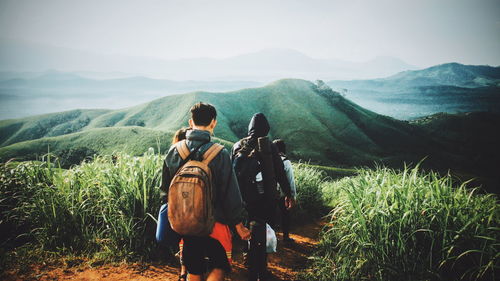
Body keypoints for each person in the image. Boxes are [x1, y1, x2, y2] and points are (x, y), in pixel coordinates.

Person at [160, 102, 251, 281]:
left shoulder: (174, 151)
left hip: (186, 224)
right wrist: (238, 224)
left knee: (194, 270)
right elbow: (230, 194)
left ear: (190, 121)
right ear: (214, 123)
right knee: (220, 267)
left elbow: (165, 191)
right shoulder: (220, 154)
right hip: (215, 224)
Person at [231, 113, 293, 280]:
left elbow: (232, 174)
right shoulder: (270, 147)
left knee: (246, 229)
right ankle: (261, 267)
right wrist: (288, 194)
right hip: (266, 200)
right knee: (264, 231)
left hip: (244, 200)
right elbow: (280, 173)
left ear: (249, 128)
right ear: (266, 129)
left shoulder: (237, 146)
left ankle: (248, 257)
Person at [272, 139, 297, 243]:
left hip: (269, 193)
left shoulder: (268, 159)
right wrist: (292, 196)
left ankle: (271, 239)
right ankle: (286, 238)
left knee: (271, 216)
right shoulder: (285, 161)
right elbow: (290, 180)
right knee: (285, 215)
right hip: (282, 194)